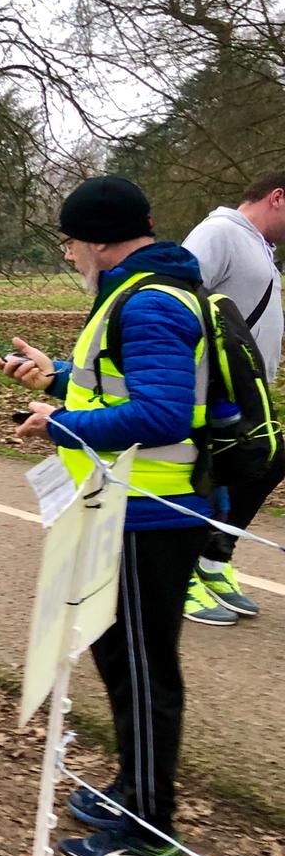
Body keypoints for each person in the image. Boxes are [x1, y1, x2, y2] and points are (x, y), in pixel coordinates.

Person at [0, 174, 212, 856]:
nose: (68, 256)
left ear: (95, 239)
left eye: (69, 243)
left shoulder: (148, 302)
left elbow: (163, 415)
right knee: (120, 659)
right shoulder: (138, 293)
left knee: (145, 670)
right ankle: (133, 790)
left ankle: (152, 829)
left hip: (153, 513)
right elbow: (121, 386)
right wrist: (57, 378)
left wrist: (60, 425)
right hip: (124, 507)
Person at [178, 172, 285, 625]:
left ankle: (212, 557)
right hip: (211, 388)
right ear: (277, 197)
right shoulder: (220, 232)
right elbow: (179, 299)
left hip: (244, 390)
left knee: (263, 461)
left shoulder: (260, 246)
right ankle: (180, 570)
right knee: (203, 474)